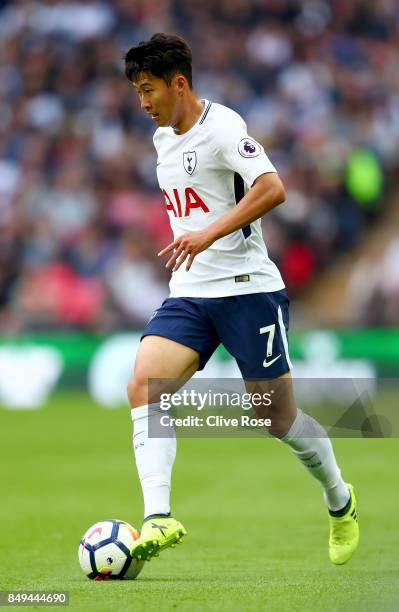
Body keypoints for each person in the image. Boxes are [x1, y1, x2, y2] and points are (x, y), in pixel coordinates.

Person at [124, 33, 359, 566]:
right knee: (144, 383)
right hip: (190, 292)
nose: (143, 103)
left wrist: (209, 234)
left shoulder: (224, 128)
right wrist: (199, 243)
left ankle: (340, 499)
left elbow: (273, 188)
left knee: (277, 419)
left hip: (248, 290)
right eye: (138, 91)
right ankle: (157, 516)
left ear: (178, 83)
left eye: (148, 89)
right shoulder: (163, 138)